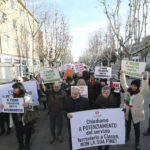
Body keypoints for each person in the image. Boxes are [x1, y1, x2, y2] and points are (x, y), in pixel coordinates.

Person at [120, 70, 148, 150]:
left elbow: (145, 86)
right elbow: (123, 83)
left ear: (138, 87)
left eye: (135, 86)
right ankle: (127, 136)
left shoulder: (141, 93)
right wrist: (122, 74)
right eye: (132, 85)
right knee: (127, 126)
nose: (133, 87)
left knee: (137, 129)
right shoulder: (127, 91)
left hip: (137, 114)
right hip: (128, 112)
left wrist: (145, 77)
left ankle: (137, 143)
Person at [1, 83, 33, 150]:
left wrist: (27, 105)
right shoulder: (11, 96)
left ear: (20, 88)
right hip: (16, 119)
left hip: (26, 118)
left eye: (15, 88)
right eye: (13, 88)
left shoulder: (27, 96)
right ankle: (21, 144)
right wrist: (4, 107)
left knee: (28, 132)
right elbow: (9, 106)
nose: (13, 90)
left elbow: (31, 107)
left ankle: (27, 144)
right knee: (18, 133)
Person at [95, 85, 117, 150]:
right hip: (100, 121)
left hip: (109, 121)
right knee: (100, 135)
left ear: (109, 93)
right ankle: (100, 147)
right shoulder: (98, 99)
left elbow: (115, 108)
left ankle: (106, 147)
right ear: (101, 93)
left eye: (107, 93)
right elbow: (95, 108)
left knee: (108, 134)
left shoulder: (113, 99)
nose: (105, 94)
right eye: (104, 93)